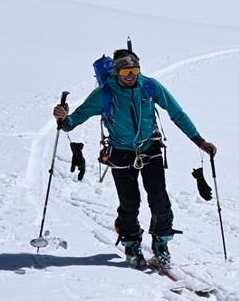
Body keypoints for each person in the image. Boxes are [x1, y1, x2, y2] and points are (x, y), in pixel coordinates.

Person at [52, 48, 217, 269]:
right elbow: (73, 121)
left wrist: (199, 141)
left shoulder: (149, 86)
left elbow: (177, 113)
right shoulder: (104, 94)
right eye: (126, 70)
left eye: (135, 69)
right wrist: (63, 119)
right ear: (117, 73)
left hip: (150, 148)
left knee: (159, 199)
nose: (131, 75)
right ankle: (131, 243)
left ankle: (161, 243)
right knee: (130, 202)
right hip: (120, 152)